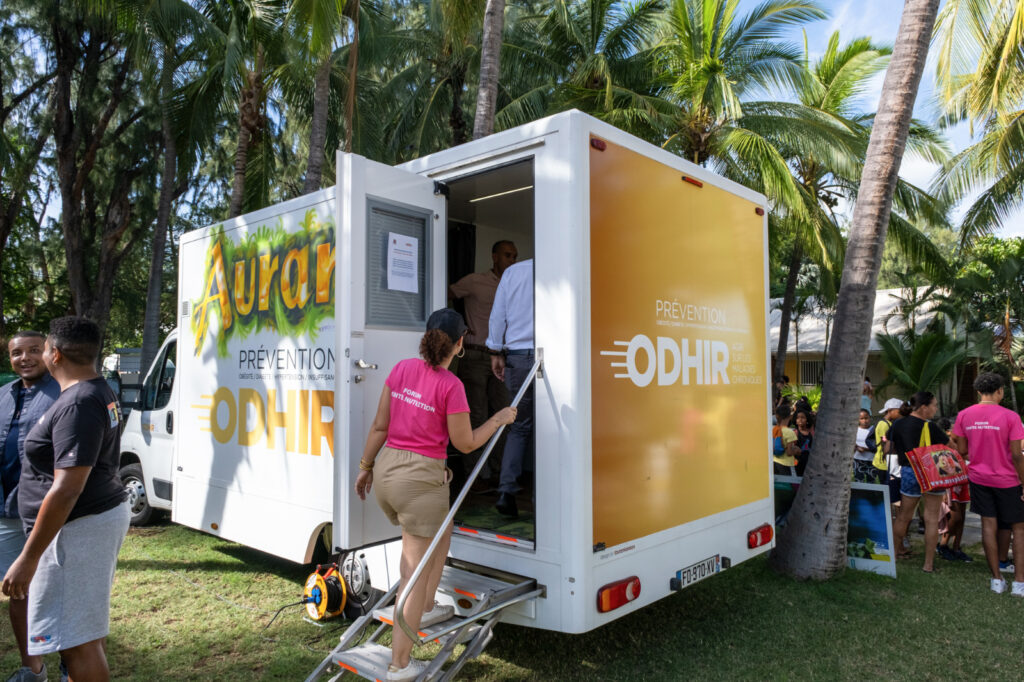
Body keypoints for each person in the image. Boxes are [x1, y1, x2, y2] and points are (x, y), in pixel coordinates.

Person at [353, 309, 516, 681]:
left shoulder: (401, 370)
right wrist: (499, 418)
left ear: (427, 336)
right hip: (419, 483)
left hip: (389, 473)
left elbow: (381, 425)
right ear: (460, 345)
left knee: (441, 533)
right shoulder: (451, 386)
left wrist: (365, 466)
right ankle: (400, 663)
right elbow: (466, 442)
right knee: (411, 571)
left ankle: (426, 607)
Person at [2, 317, 130, 681]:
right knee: (82, 632)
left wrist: (28, 559)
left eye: (42, 348)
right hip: (86, 524)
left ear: (54, 354)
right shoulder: (94, 391)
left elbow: (67, 488)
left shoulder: (79, 403)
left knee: (76, 641)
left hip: (78, 529)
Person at [1, 331, 60, 682]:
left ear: (50, 353)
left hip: (46, 511)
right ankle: (32, 669)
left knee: (56, 591)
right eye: (16, 352)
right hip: (7, 509)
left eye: (34, 351)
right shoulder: (4, 396)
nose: (25, 358)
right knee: (17, 589)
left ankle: (72, 659)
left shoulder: (63, 393)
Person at [447, 241, 517, 483]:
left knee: (506, 413)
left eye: (515, 256)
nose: (512, 260)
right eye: (508, 255)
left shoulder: (514, 283)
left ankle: (498, 474)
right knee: (475, 416)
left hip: (502, 357)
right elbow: (446, 292)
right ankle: (476, 478)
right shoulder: (475, 281)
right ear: (494, 256)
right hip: (475, 354)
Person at [950, 372, 1024, 594]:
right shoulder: (1011, 417)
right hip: (1008, 480)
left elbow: (961, 450)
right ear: (1000, 391)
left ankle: (996, 580)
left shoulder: (964, 415)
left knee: (988, 526)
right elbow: (1017, 455)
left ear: (979, 392)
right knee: (1019, 529)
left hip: (979, 479)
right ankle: (1019, 583)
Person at [486, 258, 534, 518]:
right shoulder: (562, 265)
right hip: (557, 353)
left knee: (519, 428)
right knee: (554, 429)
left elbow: (498, 315)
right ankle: (545, 496)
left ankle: (507, 492)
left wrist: (495, 350)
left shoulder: (514, 272)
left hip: (517, 357)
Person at [889, 391, 948, 573]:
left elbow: (888, 448)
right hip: (931, 473)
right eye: (934, 405)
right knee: (931, 519)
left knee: (903, 517)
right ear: (924, 407)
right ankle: (928, 564)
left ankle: (892, 557)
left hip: (908, 471)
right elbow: (949, 447)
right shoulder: (930, 427)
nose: (935, 409)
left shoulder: (898, 424)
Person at [936, 417, 972, 563]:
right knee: (955, 516)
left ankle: (956, 548)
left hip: (964, 480)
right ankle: (943, 545)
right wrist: (944, 490)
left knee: (962, 517)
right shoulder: (942, 445)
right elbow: (941, 467)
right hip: (951, 483)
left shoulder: (963, 442)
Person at [772, 404, 800, 476]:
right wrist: (797, 451)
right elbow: (789, 452)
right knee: (790, 484)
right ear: (789, 416)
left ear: (777, 416)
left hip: (774, 462)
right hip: (786, 464)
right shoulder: (790, 432)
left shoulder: (773, 429)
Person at [852, 409, 878, 483]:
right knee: (859, 481)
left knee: (871, 481)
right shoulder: (855, 430)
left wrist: (866, 449)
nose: (864, 421)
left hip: (871, 460)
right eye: (862, 419)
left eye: (866, 418)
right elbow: (851, 442)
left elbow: (878, 445)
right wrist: (857, 447)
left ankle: (871, 494)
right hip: (858, 460)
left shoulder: (874, 430)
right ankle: (860, 494)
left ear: (870, 418)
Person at [793, 409, 814, 476]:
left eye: (803, 417)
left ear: (807, 420)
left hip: (809, 463)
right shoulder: (795, 433)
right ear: (795, 421)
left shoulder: (811, 433)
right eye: (798, 418)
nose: (800, 419)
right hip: (798, 463)